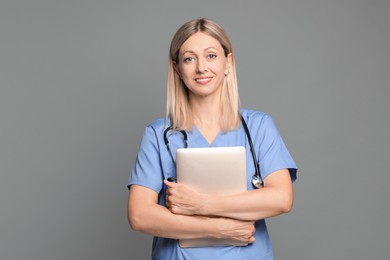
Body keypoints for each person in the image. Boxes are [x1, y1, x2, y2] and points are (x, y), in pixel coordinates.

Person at [127, 18, 297, 260]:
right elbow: (139, 215)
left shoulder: (258, 126)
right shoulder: (158, 134)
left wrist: (201, 204)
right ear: (177, 69)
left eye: (211, 56)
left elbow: (282, 199)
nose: (201, 68)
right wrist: (218, 229)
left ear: (228, 63)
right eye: (189, 58)